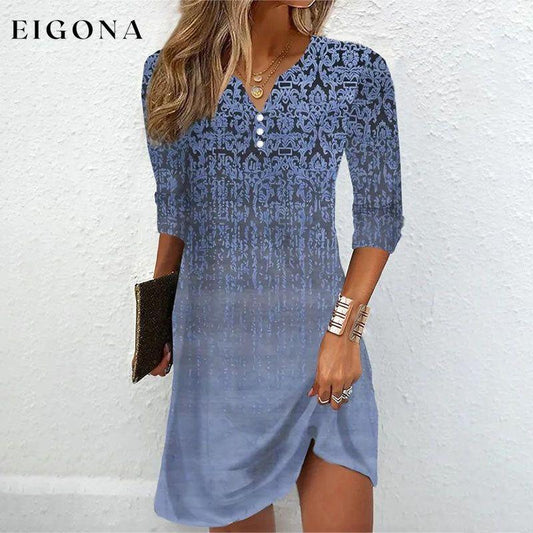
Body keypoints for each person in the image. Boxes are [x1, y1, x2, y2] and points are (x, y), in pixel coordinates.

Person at [137, 0, 404, 530]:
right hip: (218, 359)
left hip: (321, 349)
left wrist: (344, 333)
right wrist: (155, 321)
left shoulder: (356, 72)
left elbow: (380, 216)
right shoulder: (172, 73)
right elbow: (175, 209)